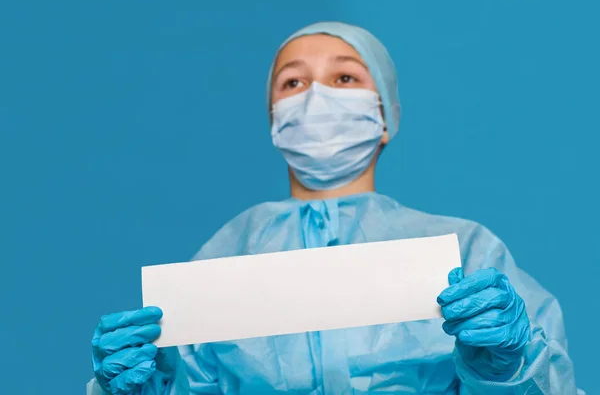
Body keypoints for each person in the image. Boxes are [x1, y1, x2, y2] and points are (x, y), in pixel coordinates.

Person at [87, 22, 584, 395]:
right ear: (274, 121)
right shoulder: (226, 256)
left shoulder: (465, 250)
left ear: (384, 116)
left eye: (344, 78)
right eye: (292, 84)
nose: (316, 99)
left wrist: (508, 366)